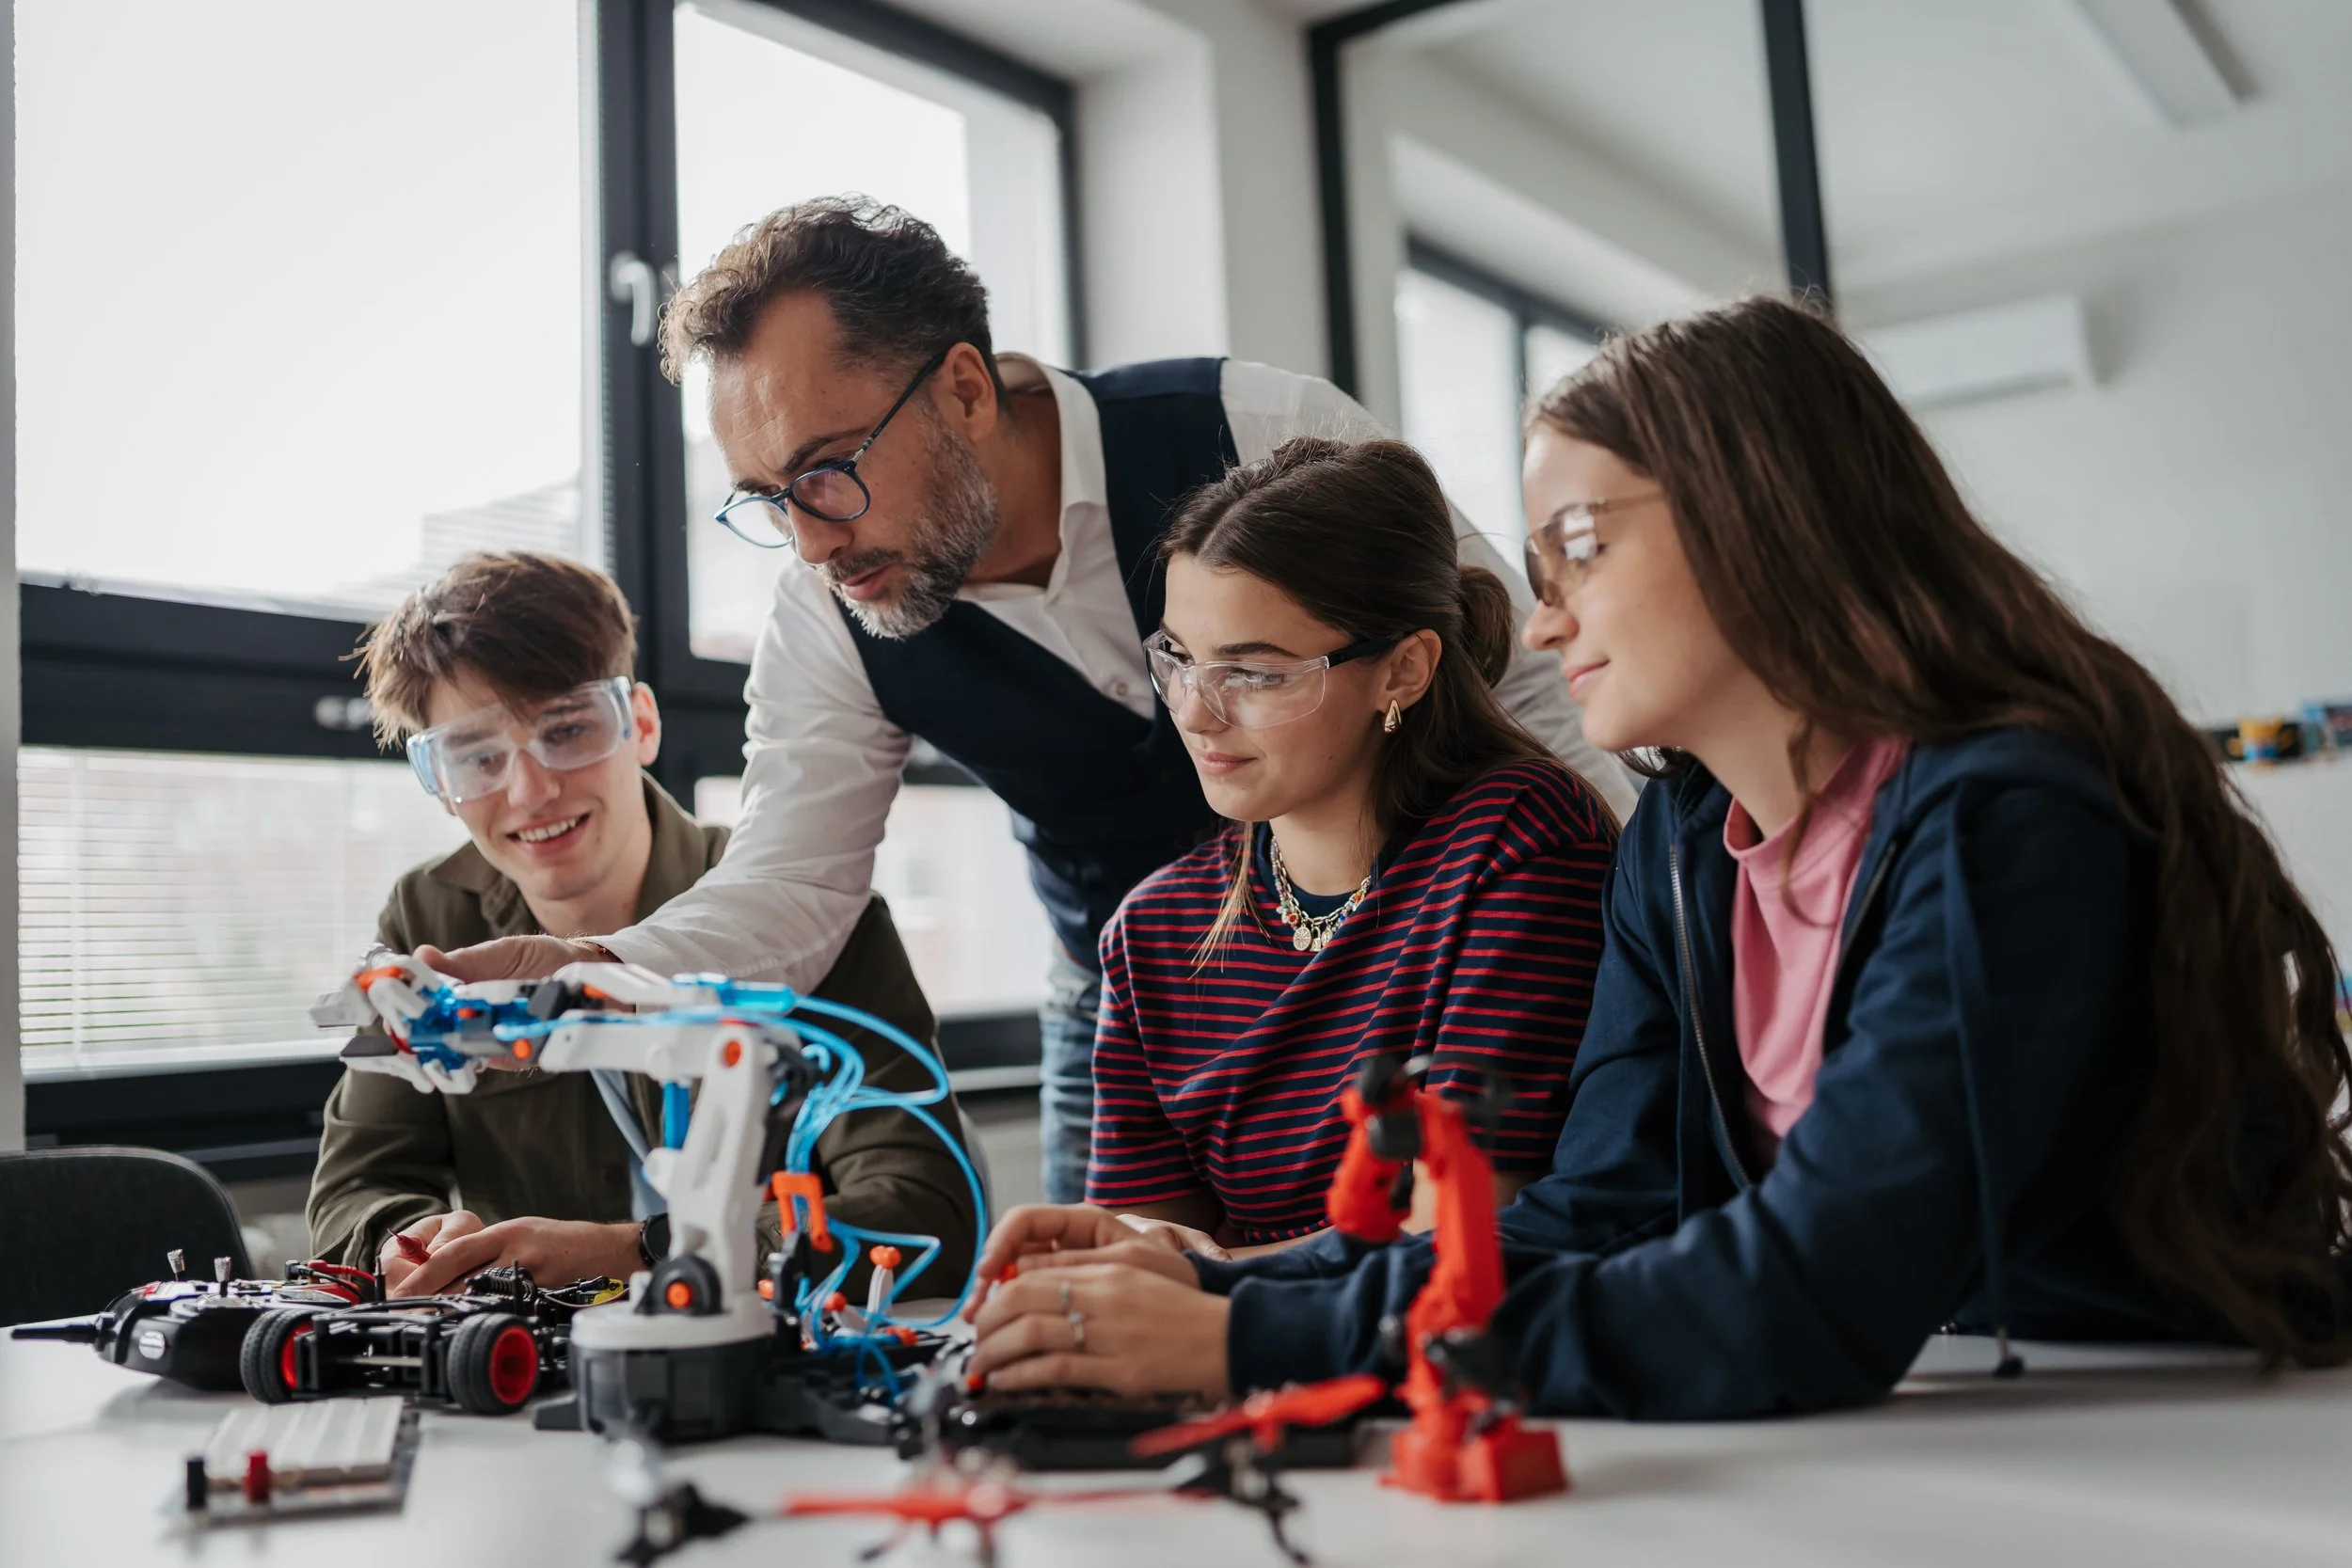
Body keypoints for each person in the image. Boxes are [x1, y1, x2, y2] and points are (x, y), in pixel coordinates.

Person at [958, 295, 2352, 1416]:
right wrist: (1210, 1272)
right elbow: (1599, 1208)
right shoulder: (1682, 840)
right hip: (1940, 1406)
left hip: (2188, 1420)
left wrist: (1248, 1331)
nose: (1549, 620)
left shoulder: (2006, 814)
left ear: (1762, 514)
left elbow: (1810, 1283)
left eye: (1580, 546)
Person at [418, 198, 1640, 1205]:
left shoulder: (1256, 429)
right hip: (1141, 986)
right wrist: (595, 965)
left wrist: (1640, 946)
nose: (804, 541)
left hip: (1406, 949)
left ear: (962, 388)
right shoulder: (830, 608)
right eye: (762, 498)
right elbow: (794, 882)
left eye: (827, 472)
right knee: (1110, 1318)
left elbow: (1529, 674)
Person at [306, 551, 977, 1298]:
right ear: (440, 788)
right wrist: (416, 1240)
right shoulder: (430, 914)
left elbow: (926, 1212)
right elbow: (355, 1187)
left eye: (566, 731)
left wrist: (643, 1252)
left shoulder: (808, 908)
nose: (530, 790)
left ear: (643, 725)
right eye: (476, 757)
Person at [1088, 437, 1614, 1259]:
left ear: (1402, 670)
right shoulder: (1152, 930)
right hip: (1226, 1360)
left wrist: (1209, 1275)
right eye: (1180, 661)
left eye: (1254, 674)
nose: (1194, 711)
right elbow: (1139, 1245)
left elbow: (1463, 1228)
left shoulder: (1519, 843)